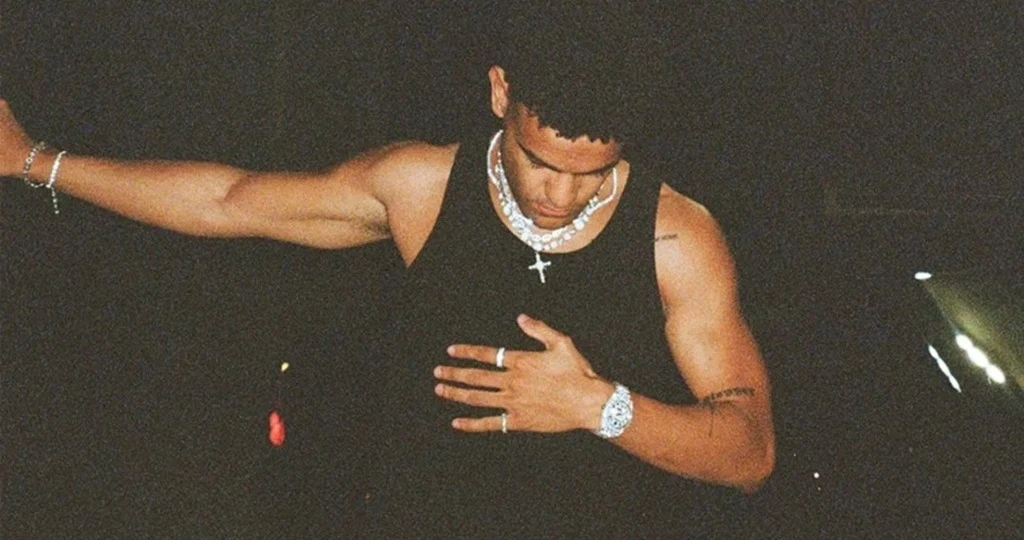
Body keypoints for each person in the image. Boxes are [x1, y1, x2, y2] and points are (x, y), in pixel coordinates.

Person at [1, 6, 774, 537]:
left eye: (590, 174)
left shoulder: (675, 236)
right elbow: (228, 199)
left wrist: (596, 405)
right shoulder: (421, 188)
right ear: (500, 93)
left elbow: (750, 455)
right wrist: (33, 161)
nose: (558, 195)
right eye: (540, 162)